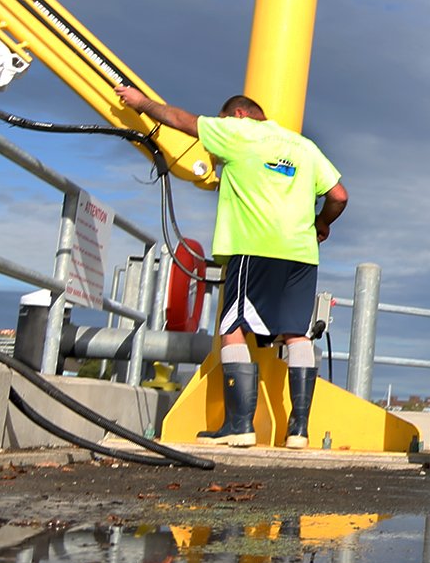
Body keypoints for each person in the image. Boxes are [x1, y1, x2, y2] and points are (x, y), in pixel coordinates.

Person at [115, 85, 348, 448]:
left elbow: (182, 121)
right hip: (302, 254)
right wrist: (322, 223)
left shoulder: (238, 131)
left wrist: (141, 103)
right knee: (297, 333)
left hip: (255, 246)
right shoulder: (303, 146)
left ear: (238, 115)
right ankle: (299, 431)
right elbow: (338, 196)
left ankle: (239, 425)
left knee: (232, 326)